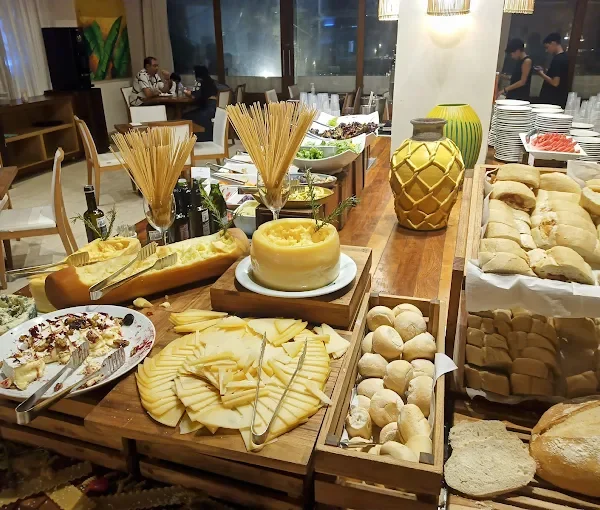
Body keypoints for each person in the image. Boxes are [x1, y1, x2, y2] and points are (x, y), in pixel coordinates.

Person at [182, 66, 218, 142]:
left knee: (186, 116)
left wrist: (188, 92)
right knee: (190, 113)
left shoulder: (201, 81)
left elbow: (197, 96)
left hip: (208, 109)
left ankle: (196, 138)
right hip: (214, 108)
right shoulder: (210, 81)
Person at [535, 33, 569, 107]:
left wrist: (541, 74)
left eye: (547, 47)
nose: (547, 50)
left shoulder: (558, 59)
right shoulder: (565, 57)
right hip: (559, 98)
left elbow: (555, 82)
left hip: (552, 100)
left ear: (553, 43)